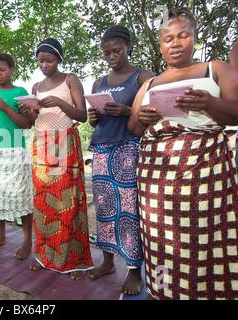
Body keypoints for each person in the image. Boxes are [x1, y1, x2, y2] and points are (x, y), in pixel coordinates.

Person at [127, 7, 238, 300]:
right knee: (161, 238)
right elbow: (134, 128)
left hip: (204, 173)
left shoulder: (216, 69)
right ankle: (163, 291)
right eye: (168, 39)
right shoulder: (151, 83)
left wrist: (210, 104)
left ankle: (204, 293)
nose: (175, 43)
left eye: (183, 35)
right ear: (160, 44)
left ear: (194, 37)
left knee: (203, 238)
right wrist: (144, 117)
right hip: (155, 177)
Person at [86, 25, 154, 295]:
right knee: (104, 210)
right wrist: (94, 118)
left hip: (129, 148)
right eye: (106, 52)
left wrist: (127, 110)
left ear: (128, 48)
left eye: (116, 50)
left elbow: (153, 112)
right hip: (102, 150)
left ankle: (134, 271)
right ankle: (108, 263)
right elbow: (94, 122)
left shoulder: (143, 76)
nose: (111, 56)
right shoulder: (98, 82)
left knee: (128, 212)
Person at [20, 38, 93, 280]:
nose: (45, 65)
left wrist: (61, 102)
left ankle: (74, 260)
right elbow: (34, 121)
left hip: (64, 143)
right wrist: (29, 112)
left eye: (49, 60)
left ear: (59, 59)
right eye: (41, 61)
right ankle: (45, 256)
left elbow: (82, 115)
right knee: (43, 203)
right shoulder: (36, 87)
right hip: (41, 145)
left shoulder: (71, 79)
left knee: (68, 202)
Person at [0, 53, 34, 259]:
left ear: (12, 69)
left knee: (23, 198)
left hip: (15, 151)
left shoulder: (20, 92)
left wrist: (4, 107)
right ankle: (1, 237)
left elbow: (27, 124)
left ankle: (27, 241)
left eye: (2, 70)